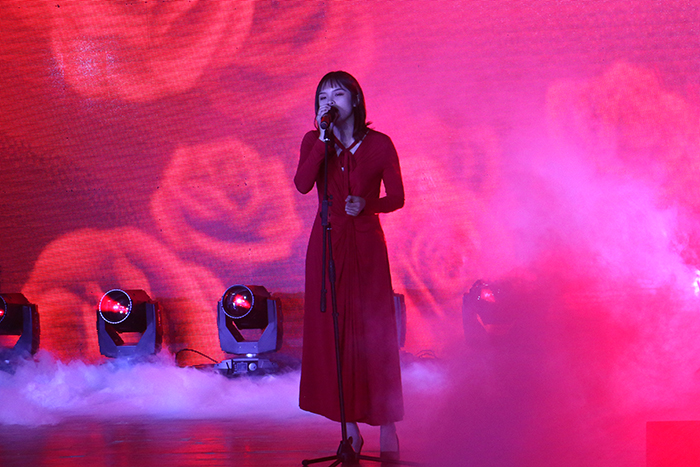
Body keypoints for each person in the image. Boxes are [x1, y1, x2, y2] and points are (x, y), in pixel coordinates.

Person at [295, 71, 405, 459]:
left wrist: (368, 205)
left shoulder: (379, 144)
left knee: (374, 334)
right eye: (322, 97)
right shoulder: (314, 141)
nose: (329, 102)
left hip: (366, 248)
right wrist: (322, 142)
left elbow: (397, 197)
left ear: (355, 100)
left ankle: (388, 424)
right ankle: (349, 431)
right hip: (327, 247)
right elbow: (302, 184)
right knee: (334, 335)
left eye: (337, 94)